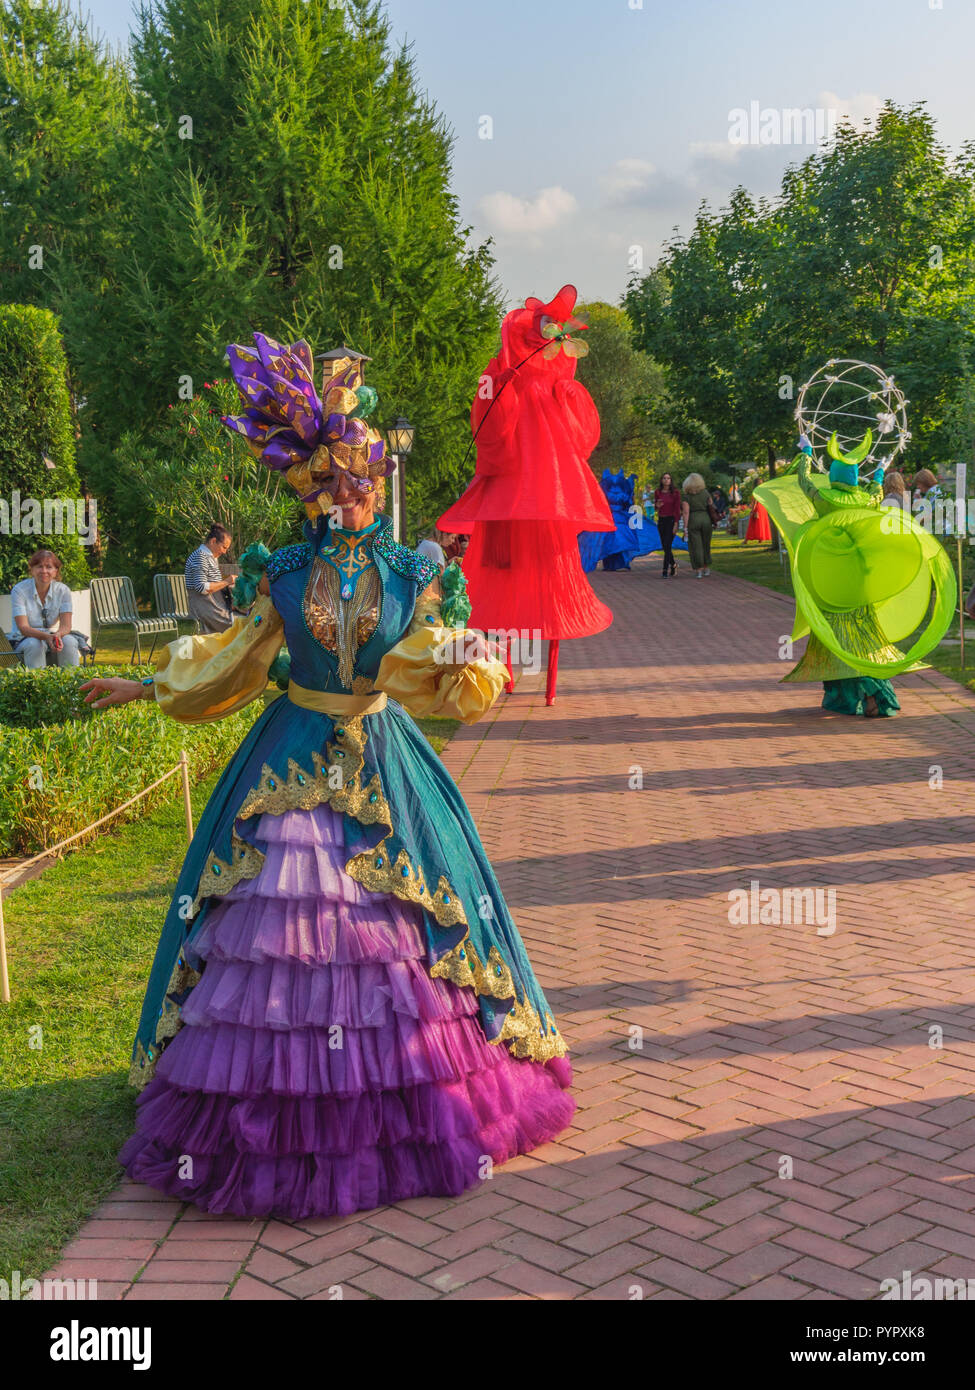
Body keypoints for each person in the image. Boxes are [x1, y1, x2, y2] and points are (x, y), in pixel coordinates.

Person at [81, 336, 574, 1220]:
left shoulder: (411, 572)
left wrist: (470, 659)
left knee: (400, 937)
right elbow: (239, 657)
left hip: (383, 756)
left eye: (361, 482)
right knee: (283, 931)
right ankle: (258, 1112)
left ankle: (411, 1104)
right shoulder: (284, 571)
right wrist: (142, 682)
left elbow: (427, 666)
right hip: (290, 753)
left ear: (376, 485)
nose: (349, 496)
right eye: (333, 483)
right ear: (309, 489)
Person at [6, 549, 82, 668]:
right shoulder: (19, 590)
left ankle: (73, 683)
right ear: (32, 570)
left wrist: (57, 636)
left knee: (69, 641)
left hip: (51, 635)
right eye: (39, 566)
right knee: (35, 644)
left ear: (56, 571)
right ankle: (38, 684)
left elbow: (66, 626)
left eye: (49, 567)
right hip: (23, 639)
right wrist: (47, 637)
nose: (44, 571)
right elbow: (23, 628)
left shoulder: (63, 590)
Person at [185, 524, 237, 633]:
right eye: (224, 547)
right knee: (240, 624)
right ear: (213, 541)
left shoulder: (210, 558)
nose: (224, 552)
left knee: (247, 620)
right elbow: (202, 587)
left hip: (214, 605)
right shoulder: (200, 556)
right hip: (204, 607)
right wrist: (227, 581)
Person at [682, 472, 713, 578]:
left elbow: (686, 512)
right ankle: (707, 568)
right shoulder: (705, 492)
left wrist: (685, 527)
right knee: (706, 544)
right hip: (706, 519)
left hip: (693, 519)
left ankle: (699, 570)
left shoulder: (686, 496)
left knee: (696, 546)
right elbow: (711, 505)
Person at [653, 472, 682, 578]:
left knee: (667, 545)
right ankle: (673, 565)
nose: (666, 480)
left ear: (671, 480)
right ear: (661, 480)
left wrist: (676, 523)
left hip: (671, 520)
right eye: (664, 478)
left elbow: (677, 509)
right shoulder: (658, 492)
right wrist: (657, 505)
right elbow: (656, 507)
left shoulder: (675, 493)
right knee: (665, 546)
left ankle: (665, 570)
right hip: (661, 520)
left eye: (668, 478)